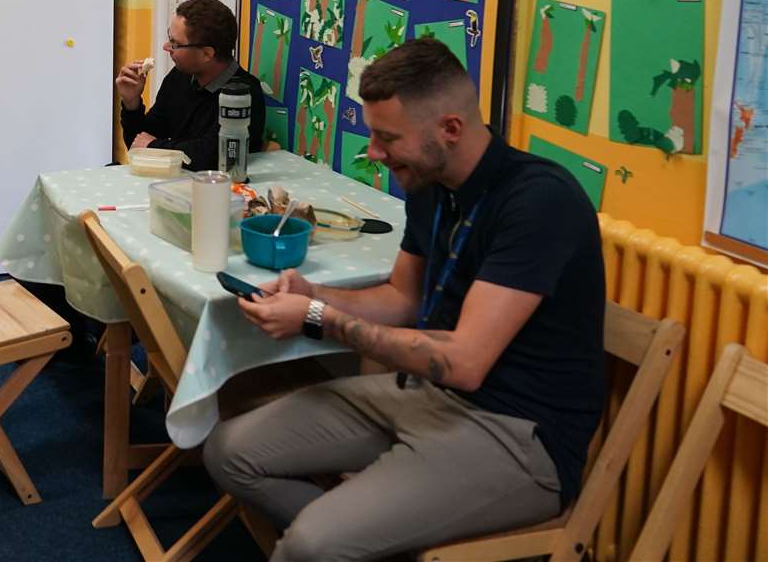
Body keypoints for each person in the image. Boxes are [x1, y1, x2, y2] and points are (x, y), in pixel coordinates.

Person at [203, 37, 606, 562]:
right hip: (427, 396)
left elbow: (464, 364)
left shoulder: (539, 202)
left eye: (386, 137)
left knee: (311, 545)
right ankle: (358, 541)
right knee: (228, 451)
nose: (373, 152)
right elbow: (402, 298)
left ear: (451, 130)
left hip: (516, 435)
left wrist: (320, 317)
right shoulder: (431, 184)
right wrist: (312, 292)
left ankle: (338, 541)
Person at [116, 0, 266, 170]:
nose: (166, 47)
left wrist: (155, 146)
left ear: (207, 54)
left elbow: (214, 156)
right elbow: (139, 144)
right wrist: (131, 104)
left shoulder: (244, 95)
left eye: (175, 44)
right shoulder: (179, 77)